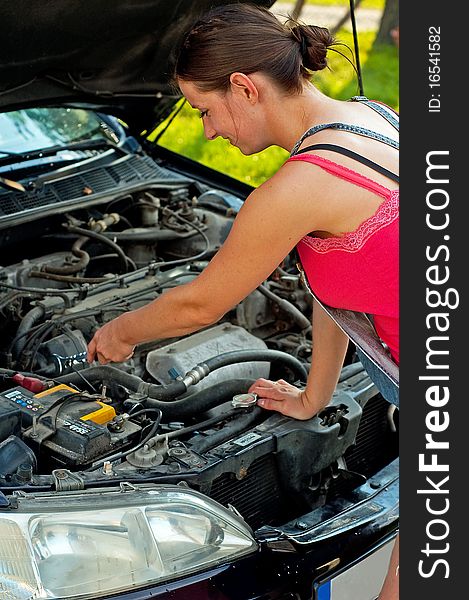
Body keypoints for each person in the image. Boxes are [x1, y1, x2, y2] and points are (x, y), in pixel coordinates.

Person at [86, 4, 399, 598]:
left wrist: (121, 334)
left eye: (204, 111)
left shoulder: (298, 188)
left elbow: (200, 306)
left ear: (244, 88)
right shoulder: (370, 117)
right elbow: (336, 290)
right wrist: (316, 395)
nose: (207, 131)